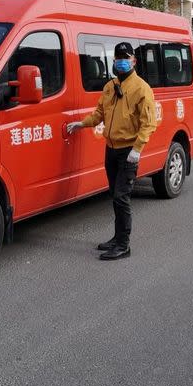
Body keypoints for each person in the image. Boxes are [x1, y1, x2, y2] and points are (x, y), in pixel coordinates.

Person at [67, 42, 157, 261]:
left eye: (126, 57)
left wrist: (137, 149)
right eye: (118, 57)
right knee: (115, 197)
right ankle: (116, 238)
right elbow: (99, 114)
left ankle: (124, 245)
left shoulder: (141, 88)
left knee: (122, 197)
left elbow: (149, 123)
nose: (121, 61)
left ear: (134, 60)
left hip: (128, 150)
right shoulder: (110, 86)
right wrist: (82, 123)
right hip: (111, 149)